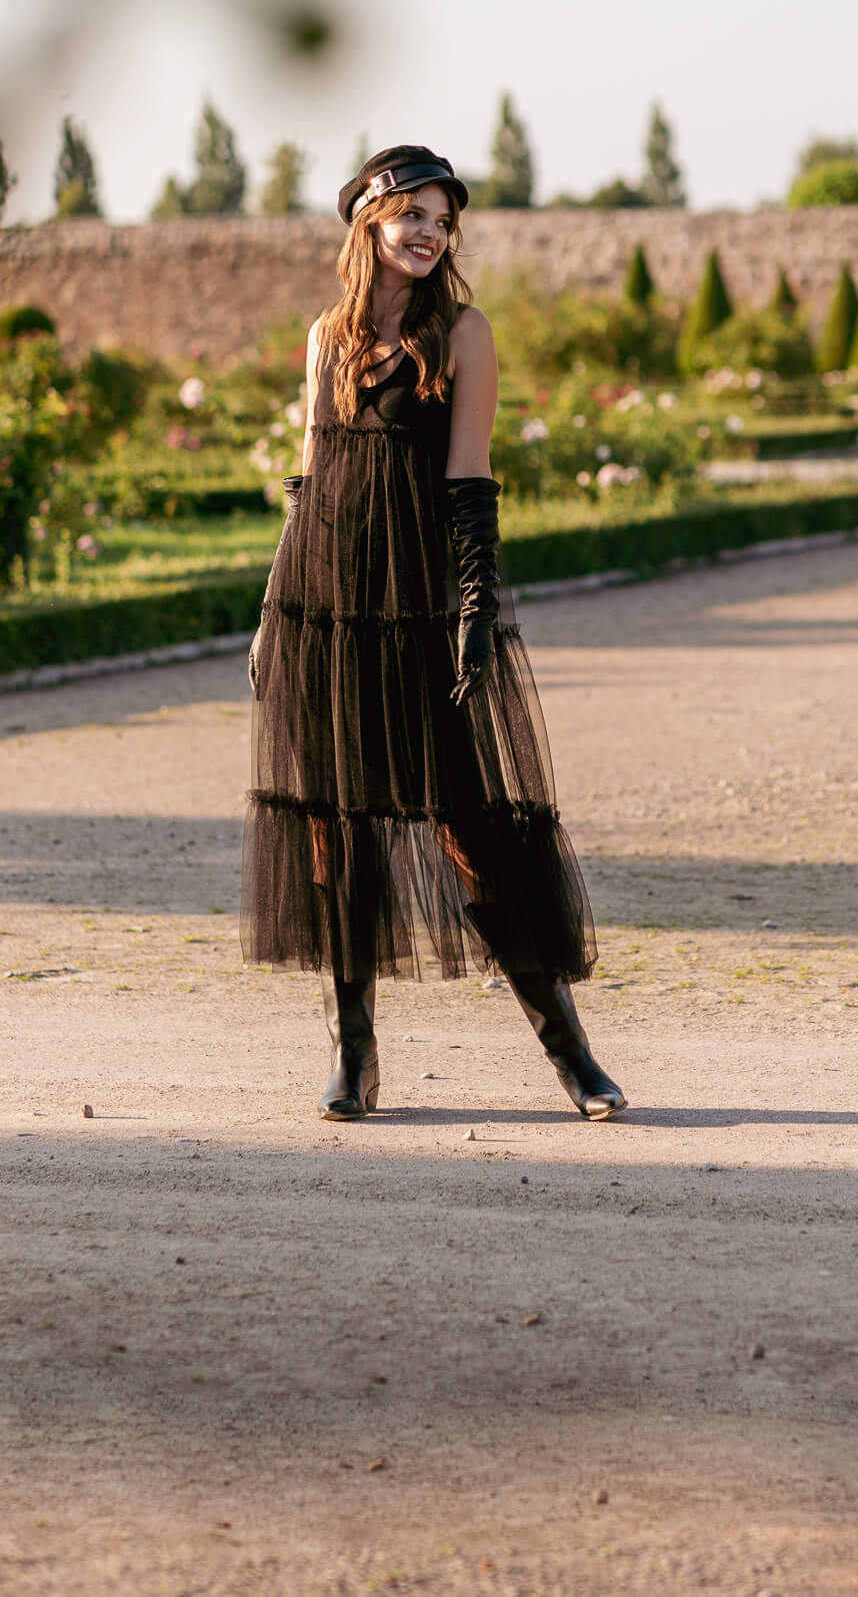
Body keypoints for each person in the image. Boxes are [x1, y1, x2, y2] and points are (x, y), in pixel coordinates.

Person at [241, 143, 625, 1123]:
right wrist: (268, 611)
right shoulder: (327, 338)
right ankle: (354, 1054)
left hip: (417, 611)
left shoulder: (463, 333)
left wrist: (473, 607)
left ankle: (568, 1050)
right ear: (367, 220)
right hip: (324, 611)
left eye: (441, 218)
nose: (428, 231)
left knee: (473, 829)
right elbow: (306, 485)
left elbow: (469, 483)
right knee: (336, 830)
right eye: (410, 212)